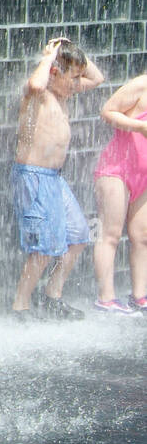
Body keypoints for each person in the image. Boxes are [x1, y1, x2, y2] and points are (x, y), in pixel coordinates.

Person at [10, 37, 104, 321]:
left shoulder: (64, 93)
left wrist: (72, 50)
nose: (77, 84)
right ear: (54, 72)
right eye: (73, 77)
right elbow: (37, 83)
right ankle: (20, 306)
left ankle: (52, 295)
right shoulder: (37, 94)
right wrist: (50, 57)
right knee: (44, 247)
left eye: (78, 78)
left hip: (55, 180)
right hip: (34, 177)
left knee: (78, 235)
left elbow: (97, 78)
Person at [92, 72, 147, 316]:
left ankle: (139, 296)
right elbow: (107, 111)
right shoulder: (141, 85)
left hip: (143, 174)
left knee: (142, 236)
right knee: (110, 234)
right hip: (118, 169)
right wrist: (140, 126)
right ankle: (106, 299)